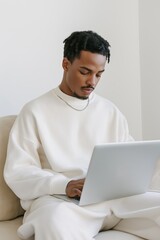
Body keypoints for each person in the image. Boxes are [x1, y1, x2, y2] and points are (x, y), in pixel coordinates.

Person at [4, 30, 160, 240]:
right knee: (54, 220)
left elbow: (128, 159)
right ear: (66, 64)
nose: (92, 82)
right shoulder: (35, 111)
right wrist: (64, 185)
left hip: (113, 201)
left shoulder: (110, 111)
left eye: (99, 74)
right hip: (63, 203)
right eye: (85, 72)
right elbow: (18, 171)